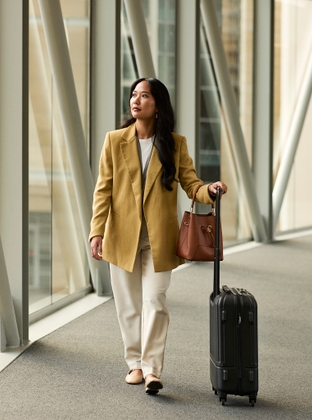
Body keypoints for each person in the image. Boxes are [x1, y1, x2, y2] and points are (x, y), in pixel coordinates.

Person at [89, 78, 227, 394]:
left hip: (159, 239)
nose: (136, 100)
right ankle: (134, 365)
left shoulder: (174, 144)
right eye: (133, 95)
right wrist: (96, 231)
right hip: (120, 236)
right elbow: (103, 190)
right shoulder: (114, 141)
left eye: (144, 95)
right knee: (128, 305)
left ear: (158, 104)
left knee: (155, 300)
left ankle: (152, 370)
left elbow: (192, 185)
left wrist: (211, 190)